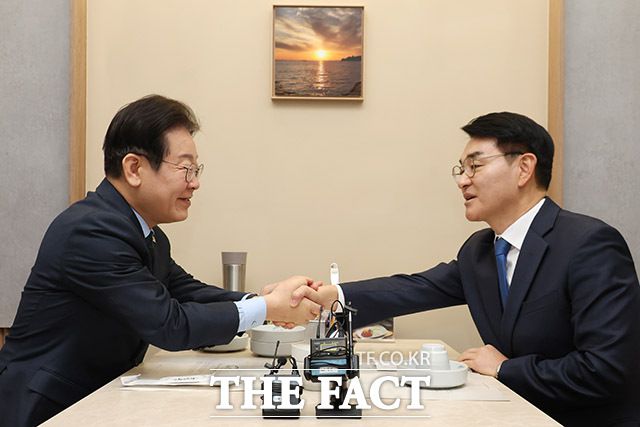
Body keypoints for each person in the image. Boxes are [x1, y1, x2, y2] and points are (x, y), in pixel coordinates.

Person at [282, 112, 640, 426]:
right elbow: (415, 288)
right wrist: (331, 296)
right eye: (461, 169)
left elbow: (606, 371)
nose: (462, 180)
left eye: (475, 166)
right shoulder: (480, 251)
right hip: (516, 413)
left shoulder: (589, 244)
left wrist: (504, 368)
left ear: (524, 168)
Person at [0, 95, 320, 427]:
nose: (195, 183)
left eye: (196, 170)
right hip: (45, 408)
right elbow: (169, 324)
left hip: (92, 400)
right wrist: (268, 308)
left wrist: (266, 302)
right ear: (134, 168)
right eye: (185, 169)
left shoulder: (146, 234)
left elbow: (187, 292)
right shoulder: (91, 231)